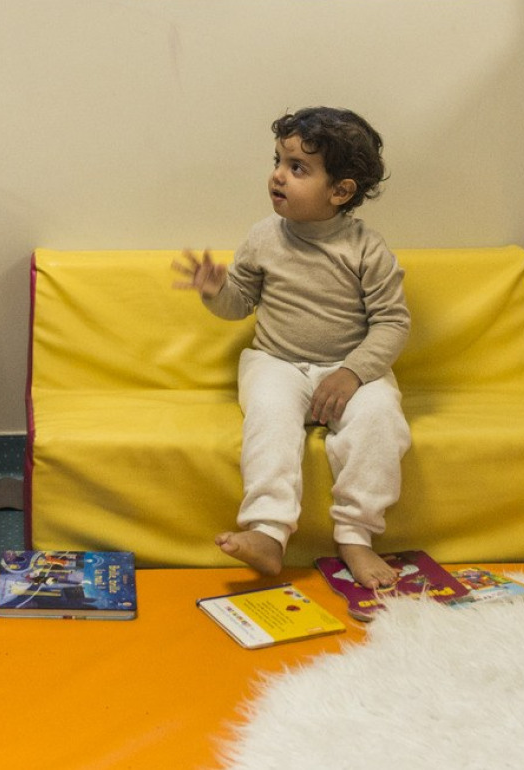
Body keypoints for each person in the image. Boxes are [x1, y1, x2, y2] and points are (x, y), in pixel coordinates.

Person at [173, 107, 411, 589]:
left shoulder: (366, 249)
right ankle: (268, 530)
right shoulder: (264, 237)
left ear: (340, 191)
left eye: (297, 168)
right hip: (277, 362)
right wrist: (216, 290)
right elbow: (240, 303)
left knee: (382, 418)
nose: (278, 175)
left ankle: (356, 535)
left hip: (349, 368)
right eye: (278, 161)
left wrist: (353, 373)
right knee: (270, 414)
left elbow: (392, 322)